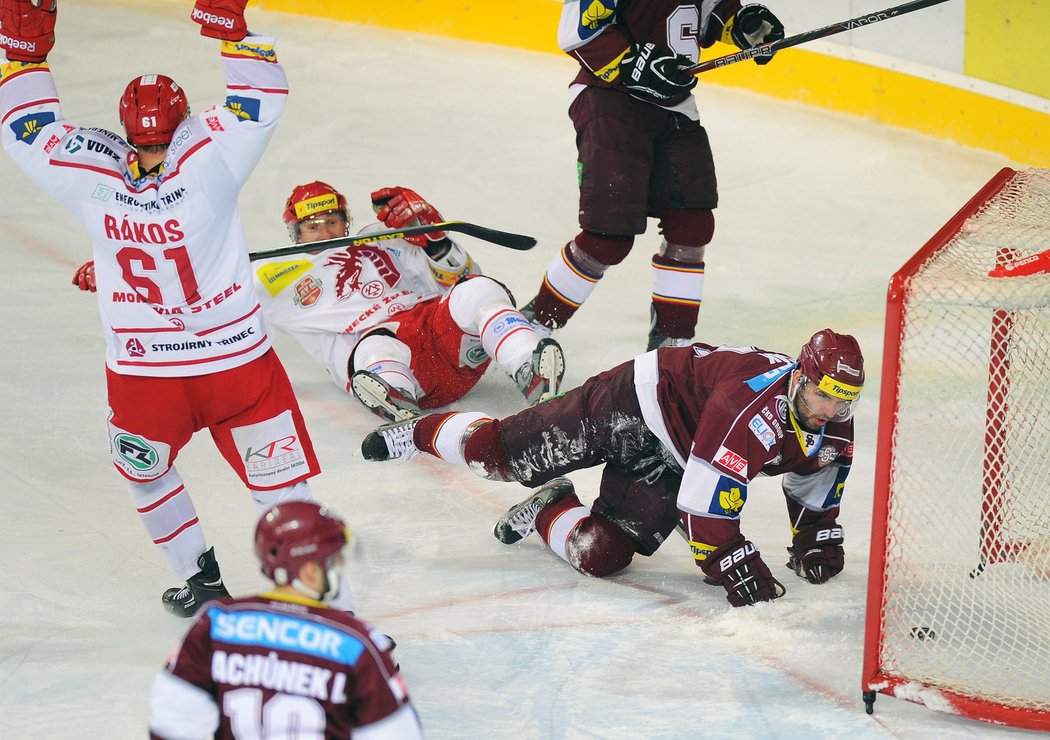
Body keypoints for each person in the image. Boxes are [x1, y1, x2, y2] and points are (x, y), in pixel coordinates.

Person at [1, 0, 321, 617]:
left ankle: (198, 580)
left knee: (146, 473)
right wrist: (237, 35)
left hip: (145, 375)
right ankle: (329, 616)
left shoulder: (89, 175)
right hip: (236, 369)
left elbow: (26, 127)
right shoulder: (212, 158)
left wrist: (25, 58)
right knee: (282, 491)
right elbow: (261, 98)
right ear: (178, 121)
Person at [361, 329, 863, 608]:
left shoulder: (835, 426)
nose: (828, 411)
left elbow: (815, 484)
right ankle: (420, 431)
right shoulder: (746, 407)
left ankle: (549, 506)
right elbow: (705, 504)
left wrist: (814, 537)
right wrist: (728, 559)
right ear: (800, 377)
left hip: (681, 453)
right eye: (821, 394)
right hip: (633, 401)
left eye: (842, 403)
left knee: (602, 554)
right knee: (498, 457)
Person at [73, 181, 567, 421]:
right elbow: (195, 297)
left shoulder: (386, 236)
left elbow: (465, 280)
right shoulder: (271, 274)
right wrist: (124, 273)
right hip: (392, 364)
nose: (325, 230)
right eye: (313, 224)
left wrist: (435, 241)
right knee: (376, 346)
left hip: (449, 348)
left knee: (480, 292)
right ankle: (399, 406)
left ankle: (530, 368)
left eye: (332, 220)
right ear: (295, 230)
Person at [521, 1, 785, 350]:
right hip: (609, 98)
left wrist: (740, 23)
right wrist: (633, 62)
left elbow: (706, 14)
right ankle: (532, 324)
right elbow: (578, 32)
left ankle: (670, 347)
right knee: (608, 237)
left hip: (674, 105)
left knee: (692, 224)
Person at [149, 500, 423, 739]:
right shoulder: (357, 644)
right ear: (310, 572)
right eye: (333, 560)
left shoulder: (215, 624)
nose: (339, 568)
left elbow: (170, 725)